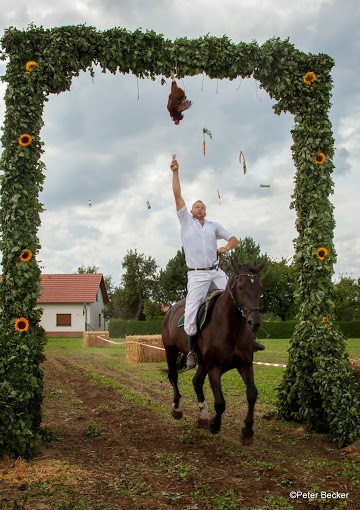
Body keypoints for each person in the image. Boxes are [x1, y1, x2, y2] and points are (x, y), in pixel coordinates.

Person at [170, 156, 264, 369]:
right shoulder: (185, 222)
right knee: (192, 312)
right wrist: (175, 172)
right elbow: (177, 194)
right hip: (197, 275)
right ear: (191, 211)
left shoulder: (213, 226)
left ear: (206, 211)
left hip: (216, 272)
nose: (200, 209)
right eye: (196, 207)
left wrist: (225, 247)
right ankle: (192, 352)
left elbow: (234, 239)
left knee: (239, 301)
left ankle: (250, 339)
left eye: (202, 207)